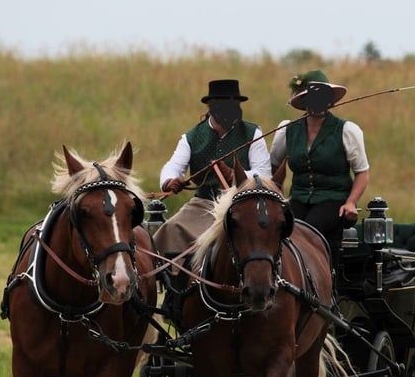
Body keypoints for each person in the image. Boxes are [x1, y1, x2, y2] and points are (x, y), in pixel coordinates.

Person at [154, 79, 271, 258]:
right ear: (210, 106)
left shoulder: (253, 133)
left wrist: (234, 175)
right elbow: (173, 166)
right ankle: (175, 280)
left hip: (241, 204)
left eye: (234, 104)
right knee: (170, 228)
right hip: (203, 204)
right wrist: (170, 181)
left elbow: (264, 174)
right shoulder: (191, 137)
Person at [269, 69, 369, 264]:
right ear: (305, 102)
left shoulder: (347, 130)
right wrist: (277, 196)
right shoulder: (287, 130)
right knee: (280, 227)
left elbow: (362, 172)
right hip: (298, 197)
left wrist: (351, 202)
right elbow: (274, 166)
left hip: (334, 199)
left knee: (307, 230)